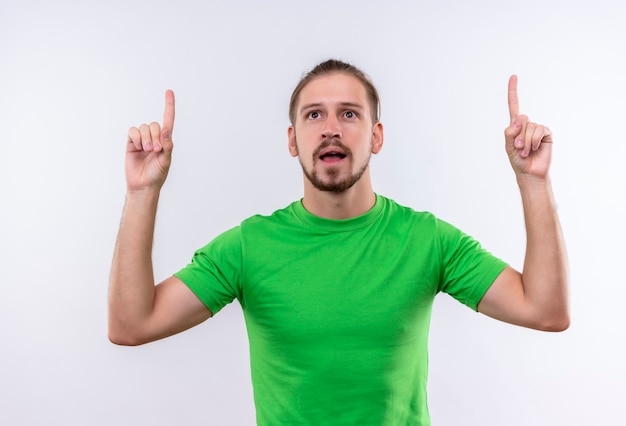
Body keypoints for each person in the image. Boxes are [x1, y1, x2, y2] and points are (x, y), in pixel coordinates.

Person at [109, 59, 569, 425]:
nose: (331, 128)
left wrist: (533, 182)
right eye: (314, 115)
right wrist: (142, 192)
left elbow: (544, 310)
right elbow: (132, 325)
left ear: (376, 135)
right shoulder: (249, 246)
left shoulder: (426, 239)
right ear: (293, 140)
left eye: (349, 114)